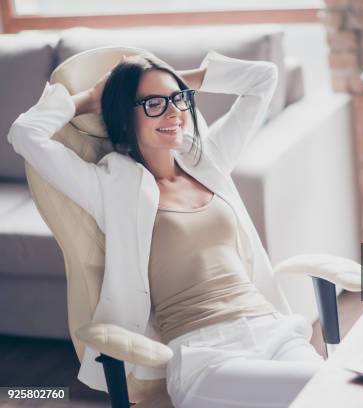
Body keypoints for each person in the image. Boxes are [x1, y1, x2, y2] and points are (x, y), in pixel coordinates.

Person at [7, 50, 323, 408]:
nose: (173, 112)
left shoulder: (208, 159)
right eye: (154, 104)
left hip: (273, 332)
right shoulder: (110, 186)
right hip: (206, 356)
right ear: (124, 113)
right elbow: (26, 133)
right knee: (321, 394)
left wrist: (171, 78)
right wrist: (93, 98)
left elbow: (263, 77)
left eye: (178, 100)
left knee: (343, 390)